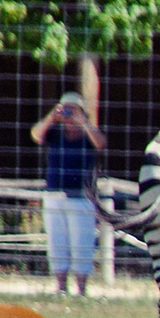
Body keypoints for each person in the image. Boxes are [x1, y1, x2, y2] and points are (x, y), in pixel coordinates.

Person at [29, 90, 106, 295]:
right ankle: (61, 287)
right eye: (66, 110)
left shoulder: (87, 135)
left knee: (82, 243)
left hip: (81, 197)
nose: (69, 115)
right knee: (57, 242)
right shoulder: (54, 133)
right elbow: (36, 135)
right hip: (54, 195)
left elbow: (101, 143)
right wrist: (51, 117)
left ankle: (81, 289)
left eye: (74, 110)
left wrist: (83, 122)